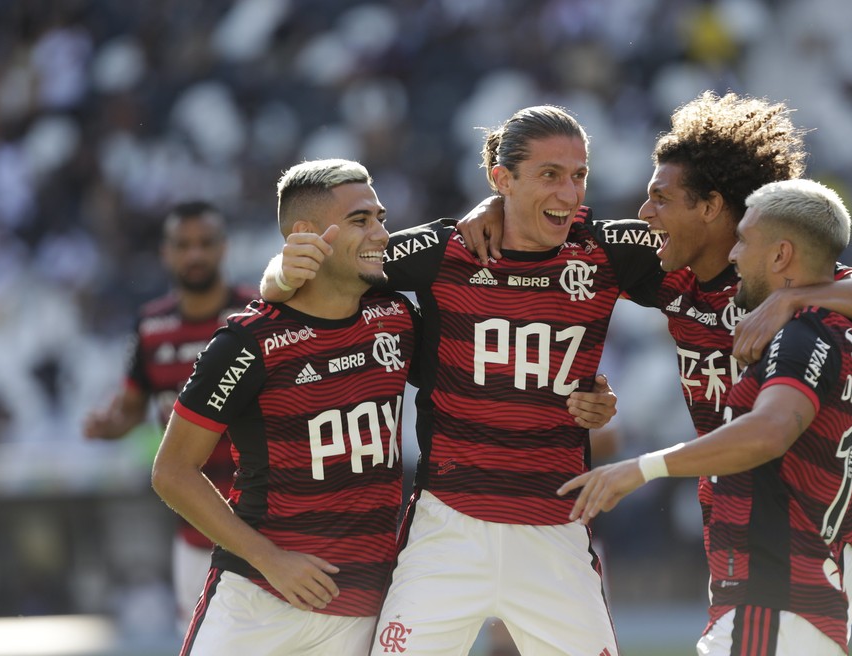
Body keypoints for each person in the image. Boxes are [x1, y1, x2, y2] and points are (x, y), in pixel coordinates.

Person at [457, 89, 852, 580]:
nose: (644, 212)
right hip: (730, 514)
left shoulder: (777, 277)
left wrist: (790, 301)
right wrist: (497, 204)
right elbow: (549, 222)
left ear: (711, 206)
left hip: (794, 528)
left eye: (661, 199)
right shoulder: (666, 266)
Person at [260, 106, 667, 655]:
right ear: (503, 179)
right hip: (447, 527)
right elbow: (324, 269)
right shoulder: (443, 249)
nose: (569, 193)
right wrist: (277, 278)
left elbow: (711, 258)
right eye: (549, 174)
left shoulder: (606, 251)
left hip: (554, 529)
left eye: (579, 175)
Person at [559, 178, 852, 656]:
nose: (734, 255)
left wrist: (642, 468)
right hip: (818, 598)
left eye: (744, 241)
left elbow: (769, 432)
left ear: (781, 255)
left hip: (771, 595)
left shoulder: (798, 337)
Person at [151, 159, 420, 655]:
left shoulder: (398, 317)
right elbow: (172, 471)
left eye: (381, 218)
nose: (382, 233)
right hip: (258, 598)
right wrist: (270, 559)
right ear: (306, 236)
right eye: (361, 220)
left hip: (362, 611)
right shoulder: (248, 342)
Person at [83, 200, 254, 631]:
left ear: (223, 248)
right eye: (183, 244)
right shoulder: (150, 328)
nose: (194, 254)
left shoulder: (257, 315)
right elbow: (131, 410)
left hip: (264, 526)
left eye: (205, 243)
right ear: (166, 252)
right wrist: (107, 427)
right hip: (195, 534)